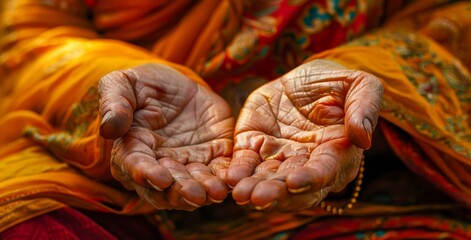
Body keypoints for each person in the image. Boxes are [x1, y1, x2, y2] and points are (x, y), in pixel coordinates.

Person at [0, 0, 470, 239]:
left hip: (365, 180)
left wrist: (358, 87)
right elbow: (31, 32)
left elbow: (452, 23)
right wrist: (115, 82)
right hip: (100, 163)